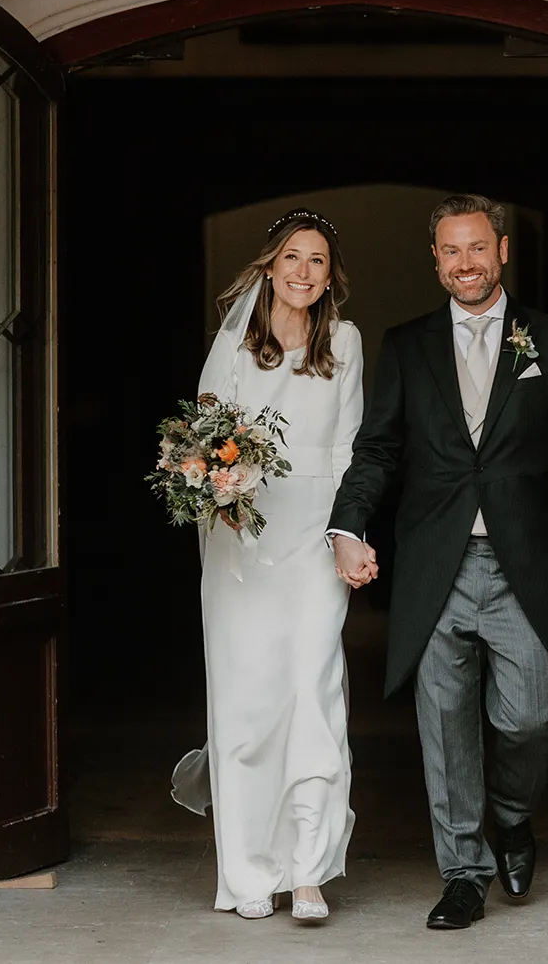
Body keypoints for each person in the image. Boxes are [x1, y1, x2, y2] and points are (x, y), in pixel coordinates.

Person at [327, 193, 548, 930]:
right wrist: (347, 524)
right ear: (436, 259)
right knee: (445, 728)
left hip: (528, 565)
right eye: (451, 251)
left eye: (477, 248)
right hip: (437, 564)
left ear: (503, 250)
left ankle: (513, 816)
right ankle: (463, 873)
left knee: (531, 715)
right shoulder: (409, 343)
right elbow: (379, 448)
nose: (465, 264)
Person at [171, 208, 362, 923]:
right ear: (269, 265)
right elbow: (203, 442)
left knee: (315, 695)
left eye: (317, 260)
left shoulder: (345, 342)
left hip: (314, 542)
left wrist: (349, 533)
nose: (303, 272)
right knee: (248, 708)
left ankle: (309, 871)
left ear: (328, 274)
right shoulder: (234, 351)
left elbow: (350, 452)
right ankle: (249, 870)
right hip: (242, 545)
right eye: (292, 257)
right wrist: (216, 488)